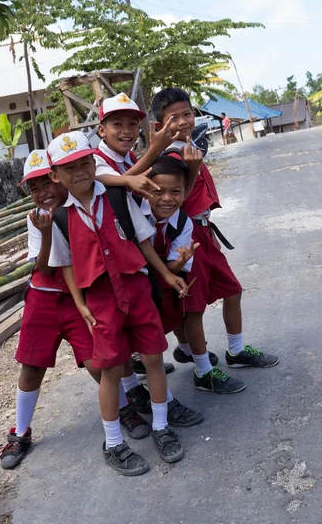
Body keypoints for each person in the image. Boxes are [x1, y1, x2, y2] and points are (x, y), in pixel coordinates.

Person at [0, 151, 150, 470]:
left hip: (81, 298)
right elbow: (46, 269)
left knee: (100, 362)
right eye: (34, 187)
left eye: (46, 182)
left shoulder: (81, 209)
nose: (42, 192)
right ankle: (20, 432)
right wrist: (48, 232)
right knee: (31, 366)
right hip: (43, 298)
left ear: (59, 177)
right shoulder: (38, 219)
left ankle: (123, 409)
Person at [47, 131, 188, 476]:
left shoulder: (118, 197)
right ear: (55, 176)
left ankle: (160, 426)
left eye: (84, 163)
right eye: (70, 168)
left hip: (137, 289)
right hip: (100, 301)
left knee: (154, 358)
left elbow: (143, 242)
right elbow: (65, 264)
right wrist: (80, 304)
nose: (80, 172)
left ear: (93, 164)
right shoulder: (61, 219)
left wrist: (167, 276)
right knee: (110, 370)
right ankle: (113, 443)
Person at [151, 88, 279, 395]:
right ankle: (203, 371)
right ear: (159, 126)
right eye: (173, 117)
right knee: (192, 308)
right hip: (186, 237)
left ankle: (235, 350)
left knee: (231, 290)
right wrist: (192, 171)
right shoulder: (169, 157)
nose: (182, 121)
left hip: (203, 231)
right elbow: (171, 202)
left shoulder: (190, 145)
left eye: (187, 114)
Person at [92, 94, 205, 426]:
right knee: (123, 338)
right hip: (109, 265)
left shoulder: (127, 161)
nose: (126, 130)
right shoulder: (97, 162)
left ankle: (149, 399)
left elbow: (155, 201)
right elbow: (109, 186)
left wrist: (168, 271)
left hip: (135, 259)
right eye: (117, 123)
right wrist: (152, 153)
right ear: (101, 129)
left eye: (132, 123)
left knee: (142, 334)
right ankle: (141, 397)